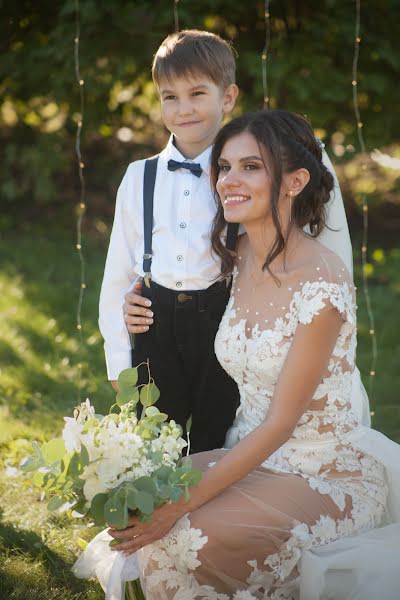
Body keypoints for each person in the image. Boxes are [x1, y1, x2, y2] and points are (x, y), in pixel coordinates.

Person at [102, 109, 400, 599]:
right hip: (252, 451)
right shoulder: (232, 253)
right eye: (224, 167)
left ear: (295, 181)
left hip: (322, 471)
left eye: (251, 167)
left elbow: (283, 423)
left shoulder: (321, 283)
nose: (227, 181)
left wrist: (184, 504)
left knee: (188, 529)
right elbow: (165, 276)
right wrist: (136, 300)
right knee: (143, 497)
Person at [99, 30, 240, 452]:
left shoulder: (245, 175)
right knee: (155, 441)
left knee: (217, 441)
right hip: (153, 325)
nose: (183, 109)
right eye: (169, 97)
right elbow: (118, 271)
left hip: (222, 325)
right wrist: (117, 358)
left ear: (228, 97)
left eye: (197, 93)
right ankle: (160, 516)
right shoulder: (138, 176)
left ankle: (206, 518)